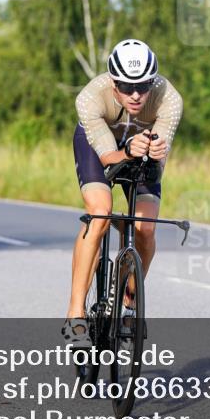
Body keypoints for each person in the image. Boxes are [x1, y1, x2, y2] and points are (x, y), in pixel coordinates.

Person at [64, 39, 183, 346]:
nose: (135, 95)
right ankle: (75, 312)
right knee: (100, 212)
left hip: (142, 149)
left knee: (145, 228)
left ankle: (128, 304)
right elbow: (108, 159)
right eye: (127, 87)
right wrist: (128, 150)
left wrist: (156, 149)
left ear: (152, 81)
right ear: (113, 83)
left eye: (143, 87)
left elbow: (159, 159)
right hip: (99, 146)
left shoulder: (169, 98)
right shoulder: (90, 97)